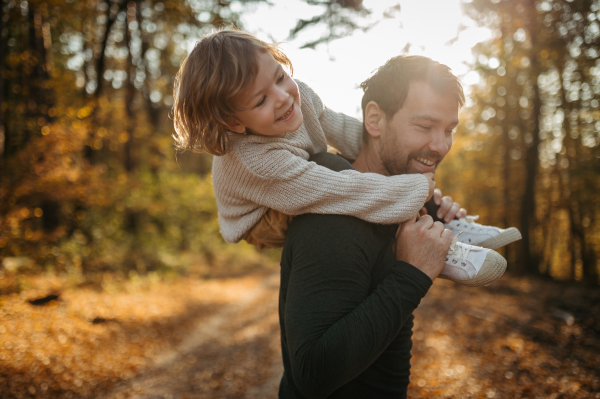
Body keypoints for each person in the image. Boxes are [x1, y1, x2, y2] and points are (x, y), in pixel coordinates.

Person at [171, 28, 517, 286]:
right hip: (261, 217)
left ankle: (441, 223)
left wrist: (402, 176)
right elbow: (337, 189)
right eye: (260, 100)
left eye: (279, 77)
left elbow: (345, 130)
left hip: (301, 173)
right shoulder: (255, 161)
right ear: (233, 121)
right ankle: (430, 254)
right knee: (337, 177)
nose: (281, 97)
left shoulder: (298, 95)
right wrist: (410, 189)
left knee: (368, 169)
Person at [277, 54, 478, 398]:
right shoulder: (335, 217)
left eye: (449, 130)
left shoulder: (389, 204)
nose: (441, 145)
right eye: (425, 126)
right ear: (375, 120)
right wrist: (410, 275)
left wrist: (434, 219)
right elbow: (312, 372)